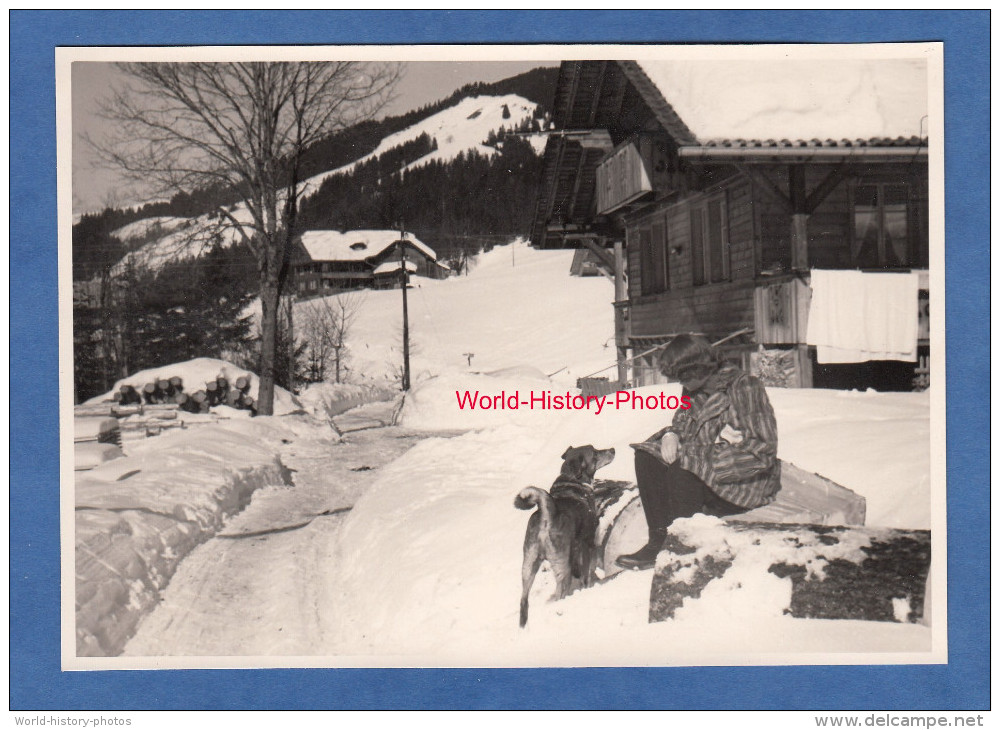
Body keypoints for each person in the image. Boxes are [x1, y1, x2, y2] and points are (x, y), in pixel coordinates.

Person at [616, 334, 781, 570]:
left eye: (683, 377)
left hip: (744, 480)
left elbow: (762, 451)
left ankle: (685, 549)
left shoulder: (745, 387)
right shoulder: (692, 389)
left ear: (699, 369)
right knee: (646, 457)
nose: (681, 385)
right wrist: (671, 435)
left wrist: (701, 460)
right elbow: (682, 420)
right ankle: (659, 541)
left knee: (682, 470)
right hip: (705, 473)